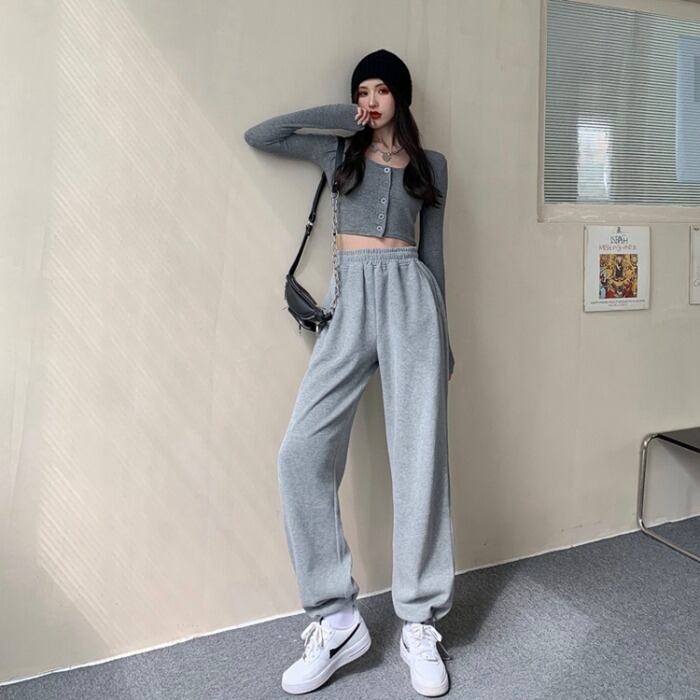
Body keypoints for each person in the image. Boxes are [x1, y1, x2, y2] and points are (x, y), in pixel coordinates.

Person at [244, 48, 456, 697]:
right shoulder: (337, 151)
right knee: (300, 453)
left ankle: (419, 622)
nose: (370, 99)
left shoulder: (432, 165)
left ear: (401, 97)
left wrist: (444, 338)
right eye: (362, 90)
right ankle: (337, 620)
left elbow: (435, 255)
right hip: (350, 300)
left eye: (381, 90)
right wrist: (345, 118)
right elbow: (263, 134)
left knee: (420, 460)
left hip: (414, 301)